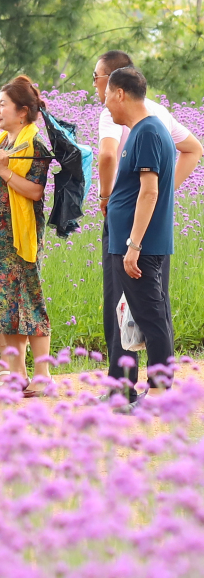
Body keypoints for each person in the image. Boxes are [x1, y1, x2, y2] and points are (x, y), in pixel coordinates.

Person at [100, 65, 177, 406]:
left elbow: (149, 192)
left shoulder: (147, 132)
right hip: (131, 244)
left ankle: (160, 390)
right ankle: (128, 389)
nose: (106, 105)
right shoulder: (141, 131)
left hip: (141, 247)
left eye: (106, 97)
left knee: (150, 314)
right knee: (135, 315)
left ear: (119, 93)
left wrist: (134, 244)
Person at [0, 75, 53, 395]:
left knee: (30, 302)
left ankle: (44, 376)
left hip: (18, 239)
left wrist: (5, 172)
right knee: (6, 307)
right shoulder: (5, 142)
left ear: (22, 112)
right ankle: (16, 373)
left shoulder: (33, 145)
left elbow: (35, 191)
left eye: (2, 106)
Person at [93, 50, 203, 204]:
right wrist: (165, 192)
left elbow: (108, 155)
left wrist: (105, 197)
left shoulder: (113, 113)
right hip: (151, 205)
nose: (94, 83)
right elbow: (194, 149)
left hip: (125, 203)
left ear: (113, 80)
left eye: (96, 76)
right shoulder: (159, 111)